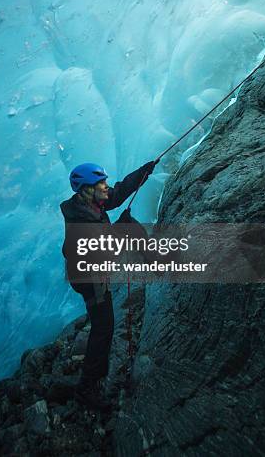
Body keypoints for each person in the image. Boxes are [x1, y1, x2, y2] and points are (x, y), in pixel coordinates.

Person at [60, 160, 157, 410]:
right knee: (103, 329)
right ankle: (87, 390)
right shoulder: (82, 223)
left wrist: (143, 172)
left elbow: (118, 192)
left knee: (104, 326)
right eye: (100, 183)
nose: (105, 186)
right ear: (86, 189)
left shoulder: (90, 202)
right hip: (90, 280)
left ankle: (92, 382)